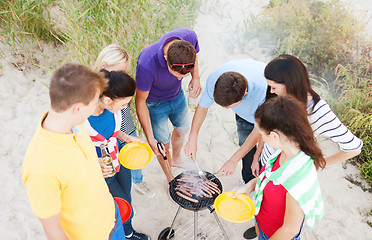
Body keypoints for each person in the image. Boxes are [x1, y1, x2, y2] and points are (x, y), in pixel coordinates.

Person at [243, 54, 363, 239]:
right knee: (266, 206)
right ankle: (262, 225)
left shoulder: (319, 111)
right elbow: (262, 131)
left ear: (289, 83)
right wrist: (257, 156)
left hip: (290, 173)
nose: (271, 91)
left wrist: (317, 163)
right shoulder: (279, 103)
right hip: (271, 166)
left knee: (285, 220)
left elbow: (354, 147)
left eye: (274, 86)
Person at [22, 63, 125, 240]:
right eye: (94, 104)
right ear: (78, 108)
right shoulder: (40, 169)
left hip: (113, 218)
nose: (96, 109)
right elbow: (53, 231)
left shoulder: (75, 125)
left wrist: (94, 164)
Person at [233, 96, 326, 240]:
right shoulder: (282, 150)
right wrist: (249, 186)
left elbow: (290, 229)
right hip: (261, 220)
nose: (262, 139)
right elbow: (269, 176)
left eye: (262, 134)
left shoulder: (299, 177)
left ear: (275, 136)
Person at [84, 70, 150, 240]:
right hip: (101, 169)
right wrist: (94, 161)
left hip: (117, 157)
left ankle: (128, 232)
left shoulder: (112, 110)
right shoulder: (81, 119)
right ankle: (124, 234)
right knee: (120, 205)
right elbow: (72, 150)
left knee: (127, 197)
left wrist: (127, 137)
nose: (125, 108)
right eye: (123, 104)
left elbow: (112, 131)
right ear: (107, 100)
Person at [184, 59, 267, 183]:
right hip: (245, 116)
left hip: (267, 113)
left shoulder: (265, 91)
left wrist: (233, 160)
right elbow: (202, 107)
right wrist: (192, 137)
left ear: (245, 92)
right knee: (245, 145)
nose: (228, 109)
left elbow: (257, 131)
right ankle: (248, 179)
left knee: (265, 150)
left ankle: (261, 181)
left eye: (230, 105)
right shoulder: (217, 79)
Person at [135, 28, 201, 182]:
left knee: (182, 129)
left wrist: (195, 77)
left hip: (178, 97)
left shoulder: (188, 37)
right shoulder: (146, 63)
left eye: (184, 75)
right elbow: (140, 101)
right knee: (163, 145)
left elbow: (195, 55)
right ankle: (170, 178)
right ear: (166, 59)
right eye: (178, 75)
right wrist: (150, 138)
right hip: (155, 104)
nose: (180, 79)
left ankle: (177, 159)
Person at [93, 44, 155, 198]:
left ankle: (138, 181)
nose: (123, 75)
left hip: (120, 127)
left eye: (125, 72)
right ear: (104, 66)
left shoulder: (117, 98)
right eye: (120, 71)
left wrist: (126, 136)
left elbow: (121, 114)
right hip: (105, 149)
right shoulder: (93, 100)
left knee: (130, 161)